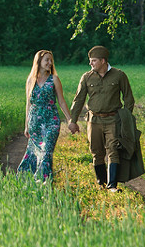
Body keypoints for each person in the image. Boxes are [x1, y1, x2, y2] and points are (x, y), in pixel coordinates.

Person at [67, 44, 135, 191]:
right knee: (96, 151)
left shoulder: (119, 75)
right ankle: (101, 183)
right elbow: (78, 100)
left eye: (94, 61)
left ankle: (112, 186)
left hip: (113, 119)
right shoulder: (86, 77)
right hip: (93, 120)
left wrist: (126, 118)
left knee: (113, 150)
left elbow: (128, 98)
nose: (90, 64)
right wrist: (73, 121)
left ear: (103, 61)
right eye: (90, 61)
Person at [17, 50, 72, 181]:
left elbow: (62, 101)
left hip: (51, 121)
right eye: (47, 60)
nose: (50, 63)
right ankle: (27, 180)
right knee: (33, 152)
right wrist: (26, 126)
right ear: (39, 61)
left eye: (51, 60)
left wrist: (70, 120)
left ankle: (44, 182)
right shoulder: (30, 80)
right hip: (34, 122)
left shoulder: (54, 79)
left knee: (46, 151)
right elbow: (28, 104)